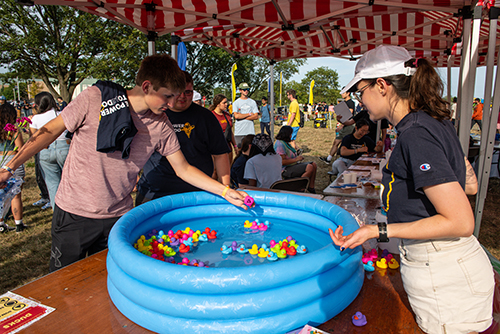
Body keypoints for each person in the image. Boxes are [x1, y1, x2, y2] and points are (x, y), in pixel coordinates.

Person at [0, 54, 250, 272]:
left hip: (118, 217)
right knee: (65, 283)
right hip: (75, 213)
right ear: (147, 86)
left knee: (108, 282)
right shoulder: (95, 98)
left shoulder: (161, 123)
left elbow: (183, 169)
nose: (172, 104)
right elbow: (50, 130)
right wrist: (9, 167)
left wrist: (226, 191)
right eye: (167, 96)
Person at [330, 45, 493, 334]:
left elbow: (462, 221)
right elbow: (469, 184)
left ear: (382, 86)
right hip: (446, 265)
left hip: (445, 274)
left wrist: (376, 231)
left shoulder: (415, 134)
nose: (360, 101)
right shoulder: (433, 122)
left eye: (361, 91)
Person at [136, 71, 232, 204]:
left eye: (188, 92)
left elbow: (220, 154)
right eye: (178, 92)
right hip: (155, 192)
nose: (182, 96)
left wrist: (226, 189)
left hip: (196, 192)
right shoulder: (154, 114)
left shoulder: (205, 117)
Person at [30, 92, 70, 210]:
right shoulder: (62, 114)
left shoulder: (36, 118)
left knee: (52, 183)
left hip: (46, 149)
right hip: (64, 147)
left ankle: (56, 211)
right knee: (69, 181)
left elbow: (34, 137)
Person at [0, 103, 27, 232]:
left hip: (0, 161)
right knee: (16, 195)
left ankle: (1, 223)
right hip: (13, 161)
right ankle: (18, 224)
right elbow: (21, 149)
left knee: (1, 195)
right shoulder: (14, 130)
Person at [274, 126, 317, 193]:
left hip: (292, 165)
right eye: (290, 134)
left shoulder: (286, 143)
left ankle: (311, 188)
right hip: (284, 169)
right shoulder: (280, 144)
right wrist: (296, 159)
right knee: (309, 167)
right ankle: (300, 188)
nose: (291, 136)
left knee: (313, 164)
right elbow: (282, 162)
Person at [320, 90, 356, 164]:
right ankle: (329, 158)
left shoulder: (350, 103)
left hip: (348, 126)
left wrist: (341, 126)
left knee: (337, 141)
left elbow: (348, 116)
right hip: (346, 125)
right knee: (337, 142)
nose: (342, 94)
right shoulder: (345, 103)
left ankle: (329, 159)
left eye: (343, 93)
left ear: (348, 93)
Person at [210, 94, 237, 163]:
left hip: (227, 147)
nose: (226, 104)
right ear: (217, 104)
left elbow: (230, 132)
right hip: (216, 148)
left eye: (226, 102)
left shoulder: (227, 115)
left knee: (228, 169)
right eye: (224, 103)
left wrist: (235, 146)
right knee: (215, 171)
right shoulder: (211, 115)